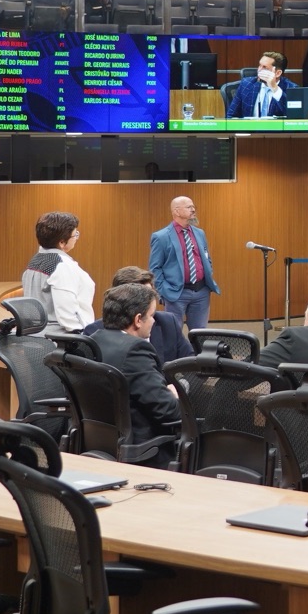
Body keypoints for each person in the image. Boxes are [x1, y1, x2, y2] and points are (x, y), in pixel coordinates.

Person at [88, 281, 181, 459]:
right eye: (152, 315)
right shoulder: (135, 351)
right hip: (143, 449)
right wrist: (175, 396)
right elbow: (168, 412)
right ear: (138, 320)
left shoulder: (92, 340)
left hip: (97, 443)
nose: (154, 321)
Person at [149, 195, 220, 332]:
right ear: (176, 211)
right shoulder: (161, 237)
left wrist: (208, 273)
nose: (193, 210)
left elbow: (206, 258)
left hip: (201, 292)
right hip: (176, 294)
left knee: (200, 334)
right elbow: (155, 268)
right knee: (173, 333)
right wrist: (165, 291)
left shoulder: (199, 233)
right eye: (189, 207)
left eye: (193, 207)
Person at [21, 211, 97, 332]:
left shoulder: (35, 261)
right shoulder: (62, 266)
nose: (76, 238)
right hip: (62, 337)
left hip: (37, 334)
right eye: (75, 235)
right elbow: (68, 316)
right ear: (62, 242)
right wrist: (83, 335)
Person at [109, 265, 196, 367]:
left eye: (151, 294)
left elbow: (191, 364)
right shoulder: (99, 332)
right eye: (143, 297)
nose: (149, 301)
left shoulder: (167, 323)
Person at [228, 51, 289, 119]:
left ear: (278, 73)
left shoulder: (290, 88)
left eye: (264, 67)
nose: (259, 70)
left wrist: (275, 88)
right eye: (260, 65)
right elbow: (230, 116)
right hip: (249, 126)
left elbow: (293, 116)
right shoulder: (246, 85)